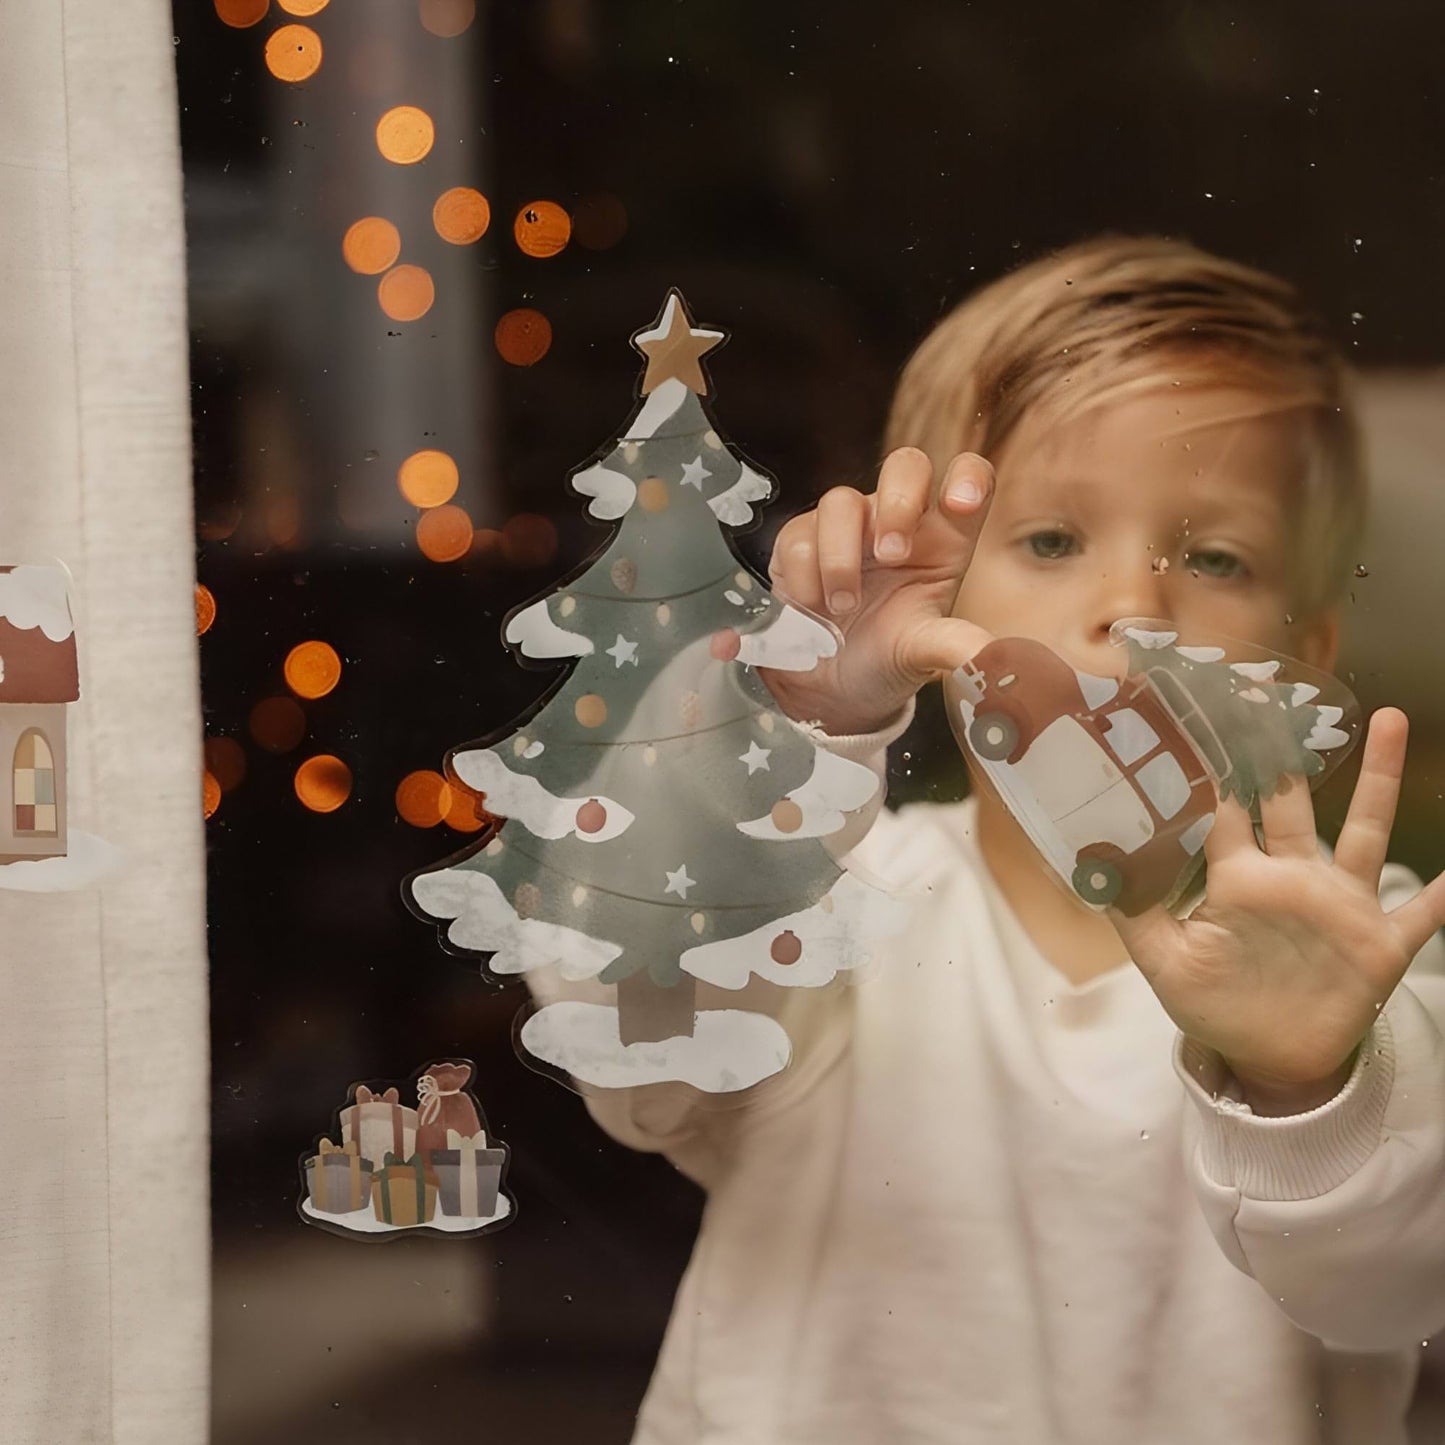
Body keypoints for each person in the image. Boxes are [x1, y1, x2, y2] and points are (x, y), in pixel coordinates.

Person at [579, 235, 1445, 1443]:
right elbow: (624, 1026)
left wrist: (1306, 1083)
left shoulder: (1364, 956)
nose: (1133, 608)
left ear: (1303, 647)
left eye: (1213, 557)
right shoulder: (831, 905)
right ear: (924, 600)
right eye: (1048, 541)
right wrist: (796, 726)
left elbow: (1389, 1287)